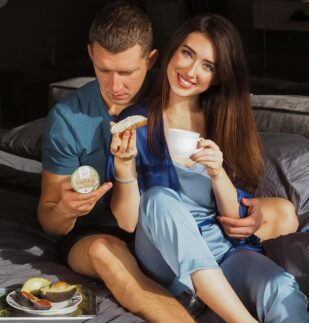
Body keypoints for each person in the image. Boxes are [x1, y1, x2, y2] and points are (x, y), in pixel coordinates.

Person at [108, 14, 309, 323]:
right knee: (159, 198)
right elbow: (127, 222)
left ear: (216, 77)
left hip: (221, 249)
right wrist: (125, 167)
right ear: (173, 51)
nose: (190, 71)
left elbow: (232, 217)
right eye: (188, 53)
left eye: (207, 65)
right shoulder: (137, 121)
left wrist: (218, 173)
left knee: (281, 288)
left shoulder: (223, 124)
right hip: (165, 256)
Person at [38, 2, 195, 322]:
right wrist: (67, 209)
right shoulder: (67, 119)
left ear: (150, 61)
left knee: (279, 212)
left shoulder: (174, 101)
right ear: (91, 55)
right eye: (103, 70)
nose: (115, 86)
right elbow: (48, 218)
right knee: (105, 255)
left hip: (166, 223)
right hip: (97, 233)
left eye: (126, 72)